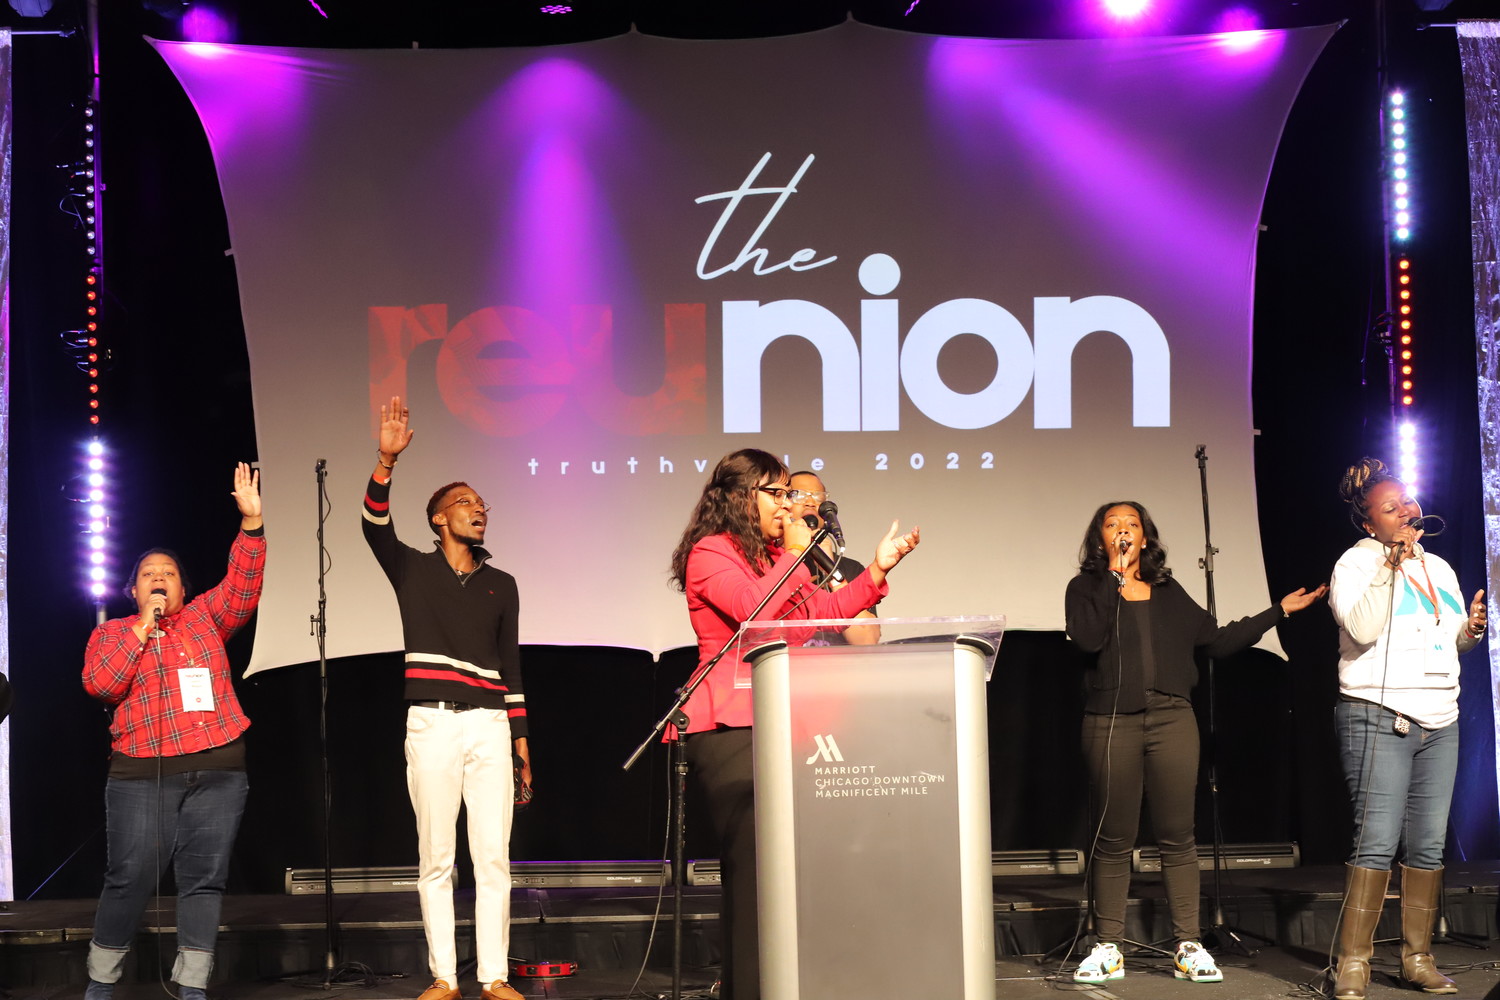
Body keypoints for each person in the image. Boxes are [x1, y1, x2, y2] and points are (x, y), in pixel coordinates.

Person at [668, 449, 921, 1000]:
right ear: (741, 497)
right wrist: (796, 554)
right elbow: (754, 613)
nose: (788, 505)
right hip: (730, 725)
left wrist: (877, 570)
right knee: (756, 871)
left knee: (790, 873)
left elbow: (821, 615)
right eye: (777, 493)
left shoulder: (777, 559)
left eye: (790, 494)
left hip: (784, 717)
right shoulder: (712, 553)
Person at [1063, 500, 1325, 986]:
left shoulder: (1168, 590)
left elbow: (1217, 642)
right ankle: (1107, 947)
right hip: (1110, 721)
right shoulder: (1085, 588)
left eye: (1131, 524)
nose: (1122, 530)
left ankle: (1188, 944)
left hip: (1171, 720)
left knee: (1177, 836)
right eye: (1112, 524)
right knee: (1114, 838)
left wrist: (1278, 612)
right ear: (1101, 538)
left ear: (1145, 537)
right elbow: (1088, 640)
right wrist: (1113, 580)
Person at [362, 396, 529, 1000]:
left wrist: (521, 740)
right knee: (436, 857)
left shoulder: (502, 583)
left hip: (489, 724)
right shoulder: (412, 569)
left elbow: (512, 666)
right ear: (438, 519)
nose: (477, 510)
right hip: (430, 724)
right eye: (465, 502)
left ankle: (494, 977)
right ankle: (444, 976)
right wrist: (387, 461)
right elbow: (373, 524)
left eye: (482, 505)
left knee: (493, 857)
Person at [80, 463, 265, 1000]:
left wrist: (251, 524)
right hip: (141, 774)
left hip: (219, 769)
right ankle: (101, 982)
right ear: (133, 589)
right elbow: (101, 685)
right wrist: (144, 626)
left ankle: (192, 987)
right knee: (129, 878)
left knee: (204, 882)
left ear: (184, 587)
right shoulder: (113, 634)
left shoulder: (205, 618)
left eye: (169, 573)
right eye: (148, 574)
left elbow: (243, 586)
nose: (159, 578)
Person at [1327, 458, 1484, 1000]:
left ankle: (1418, 958)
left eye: (1408, 502)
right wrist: (1389, 566)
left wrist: (1470, 631)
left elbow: (1447, 639)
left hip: (1441, 717)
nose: (1405, 511)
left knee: (1428, 845)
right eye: (1390, 508)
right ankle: (1353, 963)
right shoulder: (1355, 563)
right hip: (1378, 712)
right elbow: (1363, 627)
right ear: (1369, 523)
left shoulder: (1438, 567)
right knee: (1376, 842)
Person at [787, 469, 879, 644]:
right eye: (799, 495)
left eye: (817, 497)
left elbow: (867, 640)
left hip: (837, 661)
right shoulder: (770, 561)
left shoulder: (850, 569)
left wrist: (831, 571)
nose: (810, 502)